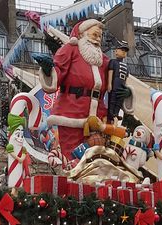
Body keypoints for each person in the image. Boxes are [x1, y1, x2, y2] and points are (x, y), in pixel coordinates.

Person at [33, 19, 135, 161]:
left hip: (98, 117)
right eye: (94, 35)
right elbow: (57, 73)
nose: (98, 40)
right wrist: (48, 70)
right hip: (71, 113)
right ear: (82, 35)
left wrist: (127, 93)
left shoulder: (104, 60)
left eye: (100, 36)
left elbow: (116, 84)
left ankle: (96, 182)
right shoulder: (70, 50)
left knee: (98, 156)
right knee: (71, 155)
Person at [107, 40, 130, 122]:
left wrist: (126, 87)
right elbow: (110, 72)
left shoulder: (126, 66)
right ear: (116, 51)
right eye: (122, 50)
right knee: (113, 99)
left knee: (119, 100)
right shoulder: (113, 62)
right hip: (115, 84)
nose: (124, 52)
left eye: (125, 51)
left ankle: (116, 113)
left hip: (122, 86)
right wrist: (109, 84)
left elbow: (126, 77)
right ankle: (111, 113)